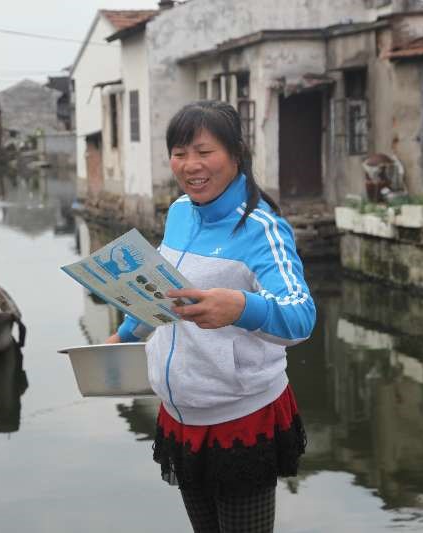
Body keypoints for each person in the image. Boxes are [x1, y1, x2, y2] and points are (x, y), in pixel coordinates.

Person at [106, 101, 315, 533]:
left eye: (204, 151)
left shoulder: (262, 228)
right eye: (179, 153)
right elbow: (161, 289)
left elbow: (301, 316)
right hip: (181, 414)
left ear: (236, 154)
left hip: (241, 418)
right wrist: (125, 333)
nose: (190, 165)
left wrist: (241, 307)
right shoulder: (180, 212)